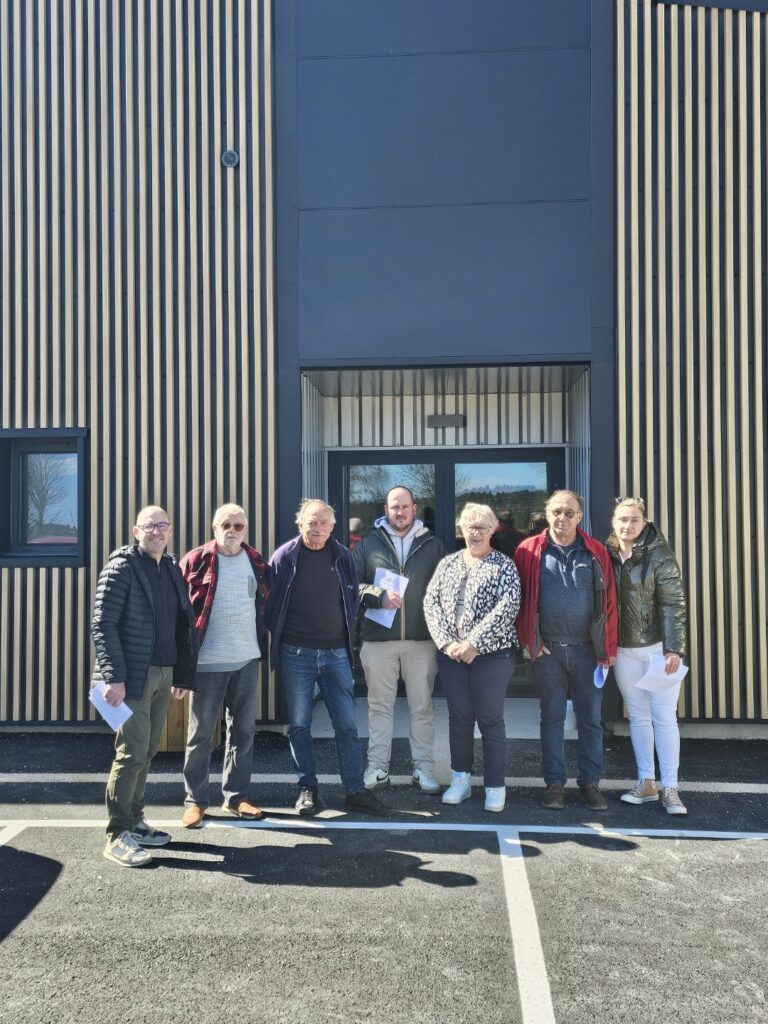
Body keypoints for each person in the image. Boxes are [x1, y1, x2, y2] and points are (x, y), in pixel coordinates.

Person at [266, 499, 389, 817]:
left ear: (333, 527)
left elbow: (353, 594)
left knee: (346, 725)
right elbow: (270, 604)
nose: (317, 527)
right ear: (300, 523)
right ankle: (307, 788)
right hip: (297, 654)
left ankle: (355, 790)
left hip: (336, 654)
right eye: (312, 521)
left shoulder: (342, 556)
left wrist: (378, 596)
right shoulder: (284, 558)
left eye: (324, 522)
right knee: (300, 725)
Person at [91, 506, 196, 867]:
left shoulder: (169, 568)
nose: (156, 531)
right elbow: (102, 624)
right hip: (130, 677)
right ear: (136, 530)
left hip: (163, 673)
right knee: (131, 752)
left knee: (148, 750)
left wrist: (181, 675)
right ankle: (117, 833)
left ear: (170, 530)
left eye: (162, 525)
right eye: (149, 526)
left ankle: (135, 821)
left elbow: (182, 624)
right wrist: (113, 675)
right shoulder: (122, 567)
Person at [514, 490, 617, 811]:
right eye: (556, 511)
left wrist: (608, 648)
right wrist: (530, 642)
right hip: (549, 652)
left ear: (579, 517)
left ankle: (590, 783)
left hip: (588, 652)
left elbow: (610, 603)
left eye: (569, 512)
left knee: (590, 721)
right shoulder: (528, 551)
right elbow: (518, 602)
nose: (562, 518)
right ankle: (555, 784)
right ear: (547, 514)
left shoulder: (596, 551)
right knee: (552, 719)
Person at [423, 503, 521, 813]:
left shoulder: (504, 565)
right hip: (451, 656)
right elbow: (431, 604)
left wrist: (473, 644)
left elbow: (508, 607)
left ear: (493, 530)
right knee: (460, 718)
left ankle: (494, 786)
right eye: (469, 526)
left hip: (493, 656)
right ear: (460, 530)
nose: (475, 532)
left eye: (481, 527)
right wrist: (448, 642)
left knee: (490, 720)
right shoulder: (448, 564)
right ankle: (461, 780)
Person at [178, 503, 269, 828]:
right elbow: (178, 614)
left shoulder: (256, 561)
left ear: (246, 529)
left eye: (239, 526)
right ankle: (195, 802)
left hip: (245, 659)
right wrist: (181, 664)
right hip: (206, 664)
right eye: (226, 525)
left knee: (243, 732)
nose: (232, 531)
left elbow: (263, 606)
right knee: (200, 734)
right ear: (214, 528)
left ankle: (237, 797)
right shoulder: (195, 560)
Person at [354, 485, 445, 794]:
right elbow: (351, 586)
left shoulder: (432, 546)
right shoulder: (368, 545)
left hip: (421, 642)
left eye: (405, 507)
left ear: (414, 508)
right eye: (394, 507)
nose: (400, 512)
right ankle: (378, 768)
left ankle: (423, 770)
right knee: (379, 708)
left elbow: (444, 593)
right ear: (386, 510)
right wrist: (378, 596)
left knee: (422, 708)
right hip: (379, 641)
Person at [607, 497, 688, 814]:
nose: (627, 526)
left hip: (657, 650)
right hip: (624, 652)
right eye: (622, 520)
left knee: (664, 719)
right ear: (614, 521)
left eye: (634, 520)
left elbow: (673, 604)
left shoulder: (659, 554)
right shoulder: (608, 553)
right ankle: (647, 783)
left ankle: (671, 788)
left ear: (644, 522)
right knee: (638, 718)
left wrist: (674, 647)